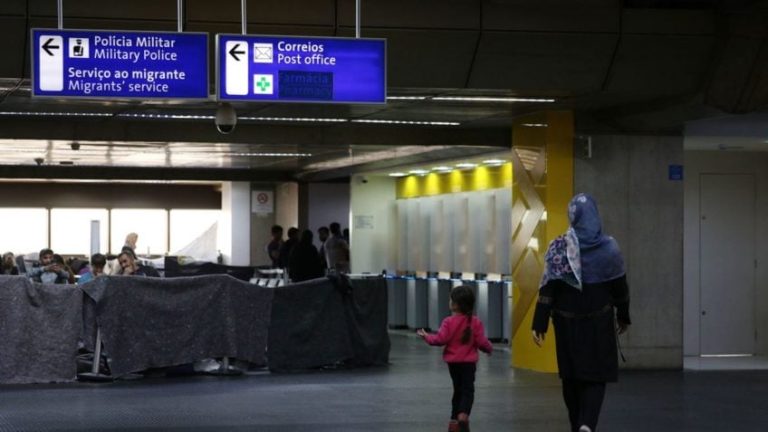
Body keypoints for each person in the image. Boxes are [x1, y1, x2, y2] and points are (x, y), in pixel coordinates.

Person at [531, 193, 631, 432]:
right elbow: (620, 289)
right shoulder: (609, 249)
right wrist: (623, 316)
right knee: (595, 377)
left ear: (573, 216)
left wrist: (539, 322)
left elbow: (548, 288)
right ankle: (587, 424)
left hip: (566, 325)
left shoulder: (559, 246)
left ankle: (577, 423)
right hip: (598, 323)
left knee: (571, 375)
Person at [417, 286, 493, 432]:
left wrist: (426, 337)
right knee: (467, 390)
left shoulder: (448, 322)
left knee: (457, 390)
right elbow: (482, 342)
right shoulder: (475, 322)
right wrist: (489, 349)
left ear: (455, 304)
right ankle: (463, 415)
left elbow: (440, 339)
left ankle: (454, 423)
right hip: (469, 364)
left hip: (453, 364)